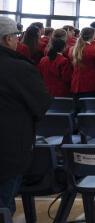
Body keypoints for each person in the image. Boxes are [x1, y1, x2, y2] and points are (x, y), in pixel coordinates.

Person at [0, 17, 53, 216]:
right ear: (8, 38)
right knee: (4, 205)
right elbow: (42, 104)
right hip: (9, 147)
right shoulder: (18, 68)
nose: (18, 39)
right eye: (16, 36)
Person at [70, 27, 95, 99]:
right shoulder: (94, 49)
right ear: (93, 36)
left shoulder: (72, 49)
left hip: (76, 84)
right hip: (92, 83)